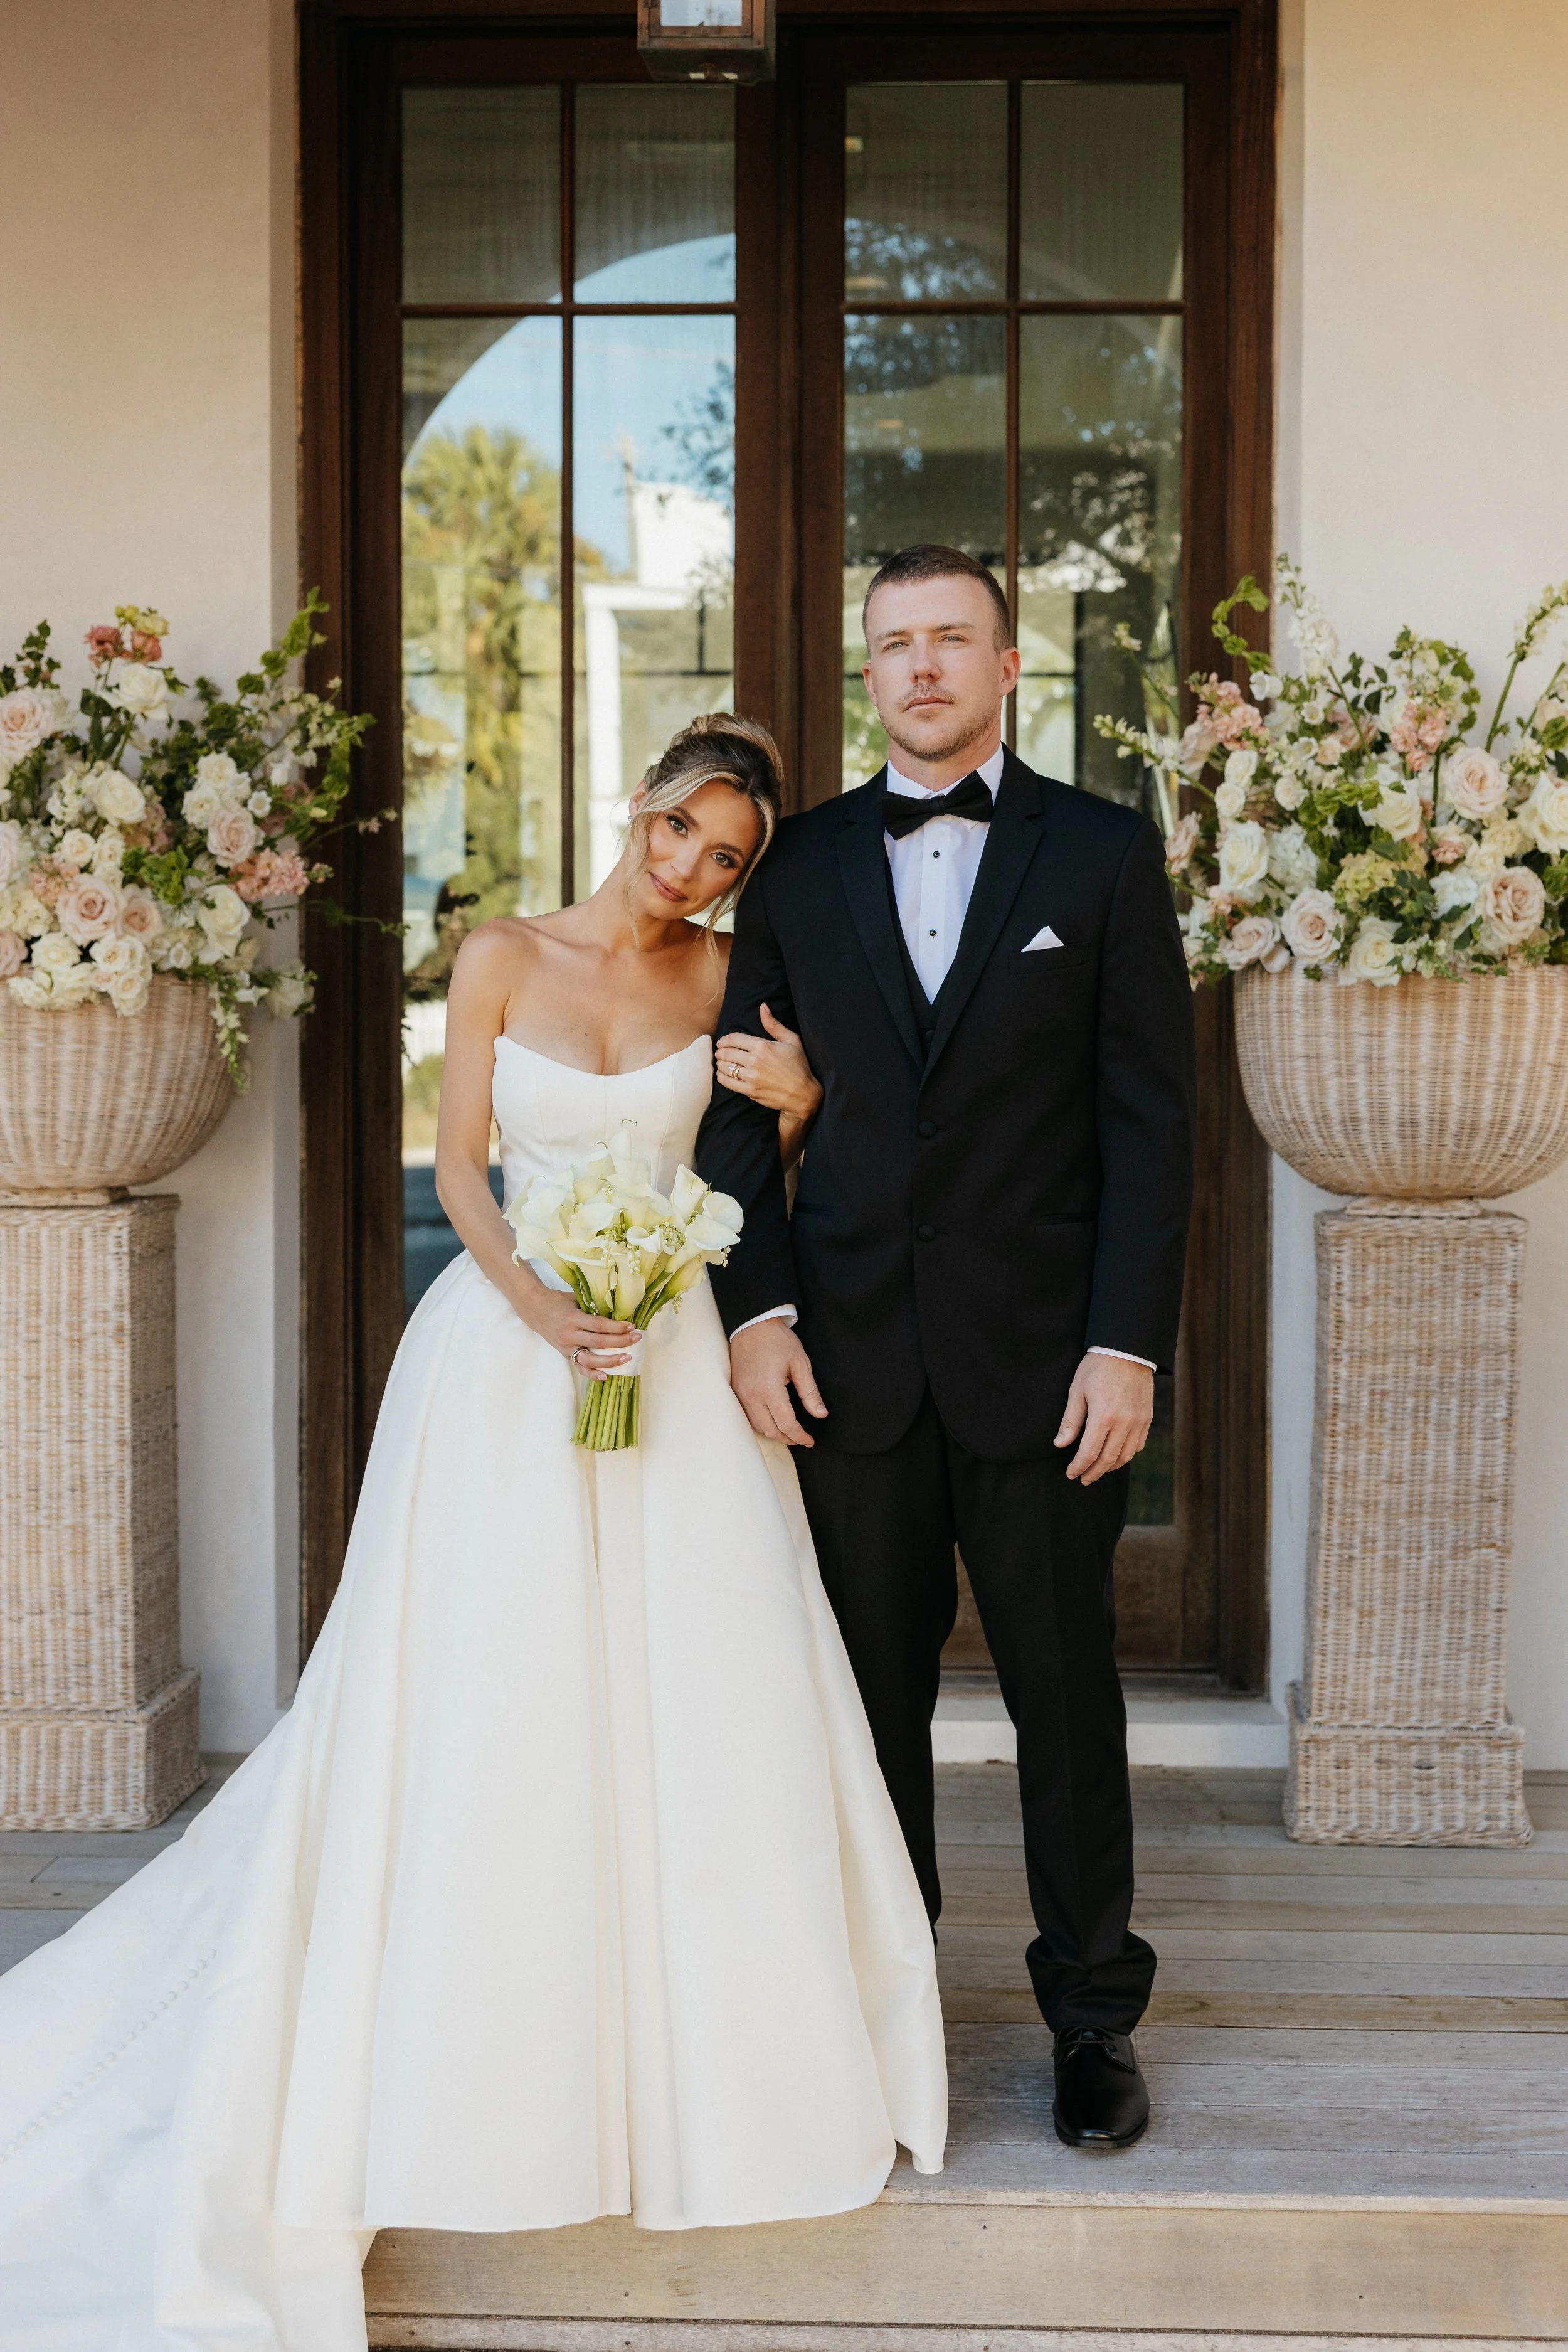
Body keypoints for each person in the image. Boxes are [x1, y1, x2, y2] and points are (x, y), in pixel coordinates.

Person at [0, 713, 946, 2348]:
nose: (690, 869)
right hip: (508, 1360)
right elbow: (461, 1171)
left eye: (724, 856)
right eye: (679, 831)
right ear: (638, 799)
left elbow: (749, 1164)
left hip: (674, 1346)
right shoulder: (501, 950)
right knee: (496, 1696)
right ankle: (489, 2057)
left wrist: (793, 1108)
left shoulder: (726, 981)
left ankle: (710, 2070)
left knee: (693, 1697)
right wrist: (543, 1311)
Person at [697, 546, 1195, 2151]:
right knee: (864, 1705)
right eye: (892, 644)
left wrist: (1125, 1344)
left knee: (1065, 1697)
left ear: (1004, 666)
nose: (919, 667)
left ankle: (1092, 2018)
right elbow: (729, 1108)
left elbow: (1150, 1128)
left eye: (949, 640)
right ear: (869, 674)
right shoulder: (801, 864)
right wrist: (756, 1312)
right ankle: (887, 2010)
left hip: (1049, 1363)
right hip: (844, 1364)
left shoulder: (1105, 857)